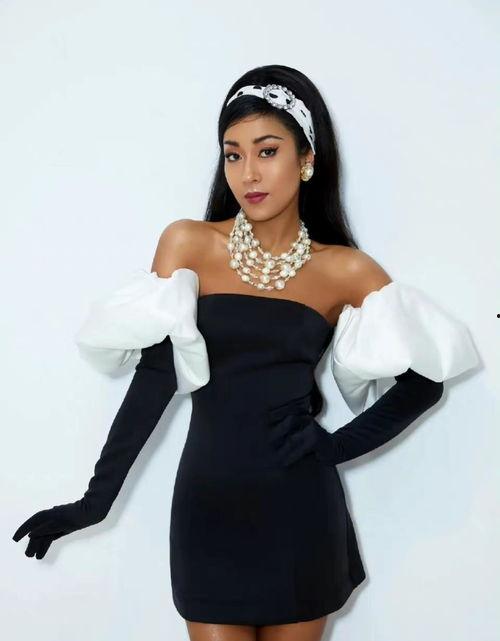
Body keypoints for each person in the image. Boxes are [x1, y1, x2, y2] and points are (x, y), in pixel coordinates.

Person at [12, 64, 480, 641]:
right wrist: (94, 501)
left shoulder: (345, 270)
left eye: (267, 151)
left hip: (300, 512)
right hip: (208, 506)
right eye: (233, 155)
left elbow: (425, 379)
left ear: (306, 159)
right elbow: (156, 377)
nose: (248, 173)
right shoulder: (188, 244)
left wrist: (334, 447)